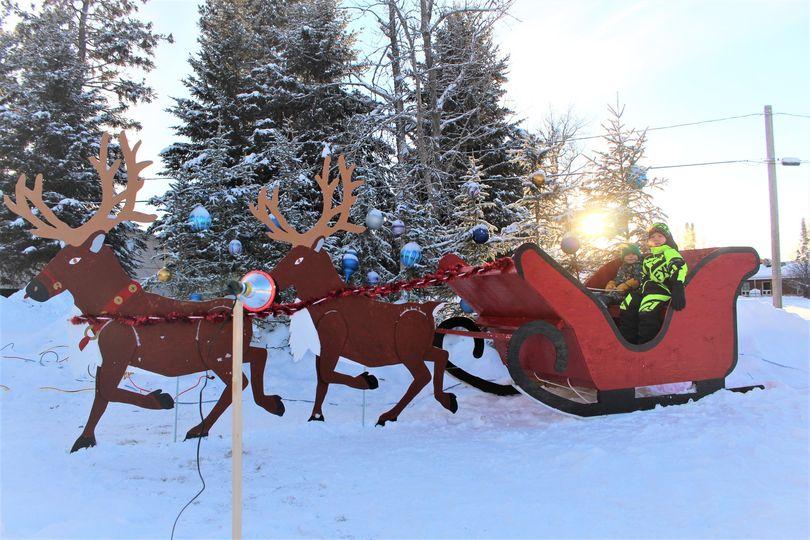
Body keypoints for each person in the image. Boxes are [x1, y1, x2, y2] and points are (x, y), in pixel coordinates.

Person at [619, 223, 687, 344]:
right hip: (646, 290)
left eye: (660, 236)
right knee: (627, 305)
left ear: (667, 238)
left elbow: (679, 267)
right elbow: (644, 276)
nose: (656, 239)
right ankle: (629, 342)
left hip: (661, 289)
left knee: (647, 310)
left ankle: (645, 345)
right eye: (652, 237)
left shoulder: (669, 252)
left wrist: (678, 287)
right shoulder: (648, 259)